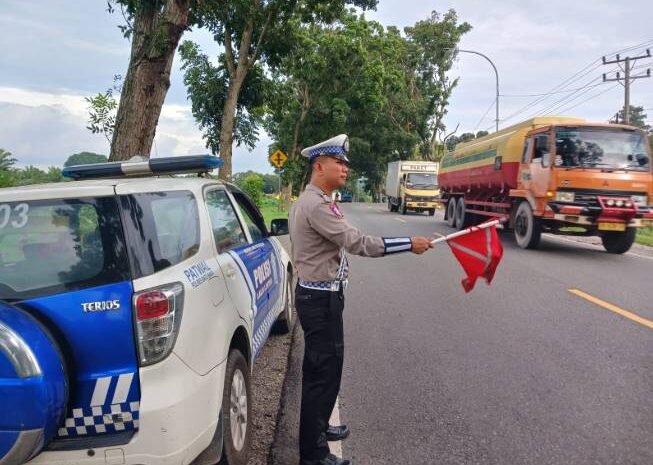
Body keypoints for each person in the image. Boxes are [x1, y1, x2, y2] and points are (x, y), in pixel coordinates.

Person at [289, 134, 433, 465]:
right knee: (320, 374)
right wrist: (409, 243)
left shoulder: (318, 201)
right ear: (319, 165)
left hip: (324, 298)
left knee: (330, 368)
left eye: (345, 164)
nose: (345, 169)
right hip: (319, 300)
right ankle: (313, 454)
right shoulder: (316, 205)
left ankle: (320, 428)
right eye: (338, 163)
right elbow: (358, 243)